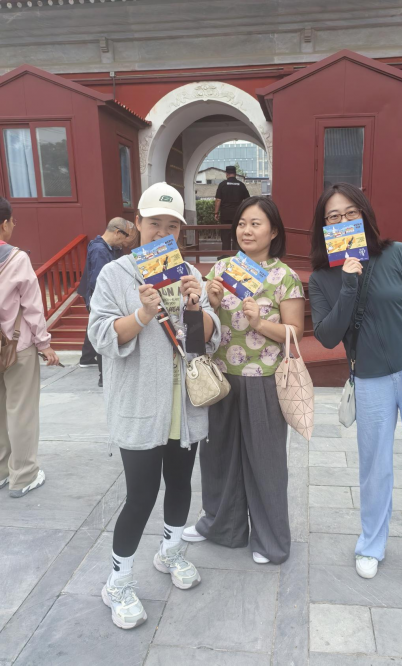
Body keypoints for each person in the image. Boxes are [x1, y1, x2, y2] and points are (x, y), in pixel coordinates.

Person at [307, 182, 402, 587]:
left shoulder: (397, 255)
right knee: (374, 466)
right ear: (324, 227)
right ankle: (371, 544)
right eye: (333, 217)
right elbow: (327, 336)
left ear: (364, 216)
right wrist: (348, 283)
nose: (342, 221)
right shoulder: (321, 278)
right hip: (370, 378)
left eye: (350, 213)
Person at [88, 182, 221, 630]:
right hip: (140, 404)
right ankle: (118, 581)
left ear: (180, 231)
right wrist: (142, 315)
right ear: (137, 224)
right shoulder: (116, 274)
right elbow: (100, 335)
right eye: (154, 223)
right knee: (141, 494)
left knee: (181, 484)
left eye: (172, 226)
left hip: (185, 405)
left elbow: (204, 340)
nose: (162, 233)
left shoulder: (188, 273)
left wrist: (196, 307)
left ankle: (171, 552)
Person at [182, 196, 305, 565]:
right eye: (241, 223)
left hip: (263, 381)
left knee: (266, 462)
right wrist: (210, 302)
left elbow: (295, 333)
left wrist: (259, 323)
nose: (246, 230)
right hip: (220, 380)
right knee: (217, 457)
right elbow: (203, 327)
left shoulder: (285, 276)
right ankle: (222, 527)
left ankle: (270, 540)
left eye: (255, 223)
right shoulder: (222, 269)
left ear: (274, 232)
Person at [0, 197, 60, 498]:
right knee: (20, 411)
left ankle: (2, 470)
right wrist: (44, 345)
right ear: (4, 224)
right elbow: (32, 307)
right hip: (15, 346)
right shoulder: (16, 258)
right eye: (12, 221)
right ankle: (23, 475)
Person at [78, 217, 136, 387]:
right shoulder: (100, 250)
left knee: (95, 326)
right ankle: (104, 376)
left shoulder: (108, 248)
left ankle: (87, 358)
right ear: (118, 232)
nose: (127, 243)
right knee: (104, 330)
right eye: (127, 237)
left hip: (95, 295)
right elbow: (99, 281)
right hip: (99, 296)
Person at [214, 166, 250, 252]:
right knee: (237, 234)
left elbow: (218, 200)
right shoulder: (241, 185)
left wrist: (216, 212)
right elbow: (248, 200)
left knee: (225, 235)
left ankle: (225, 254)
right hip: (238, 215)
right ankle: (236, 255)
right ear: (235, 174)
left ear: (226, 174)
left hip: (225, 214)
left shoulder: (222, 185)